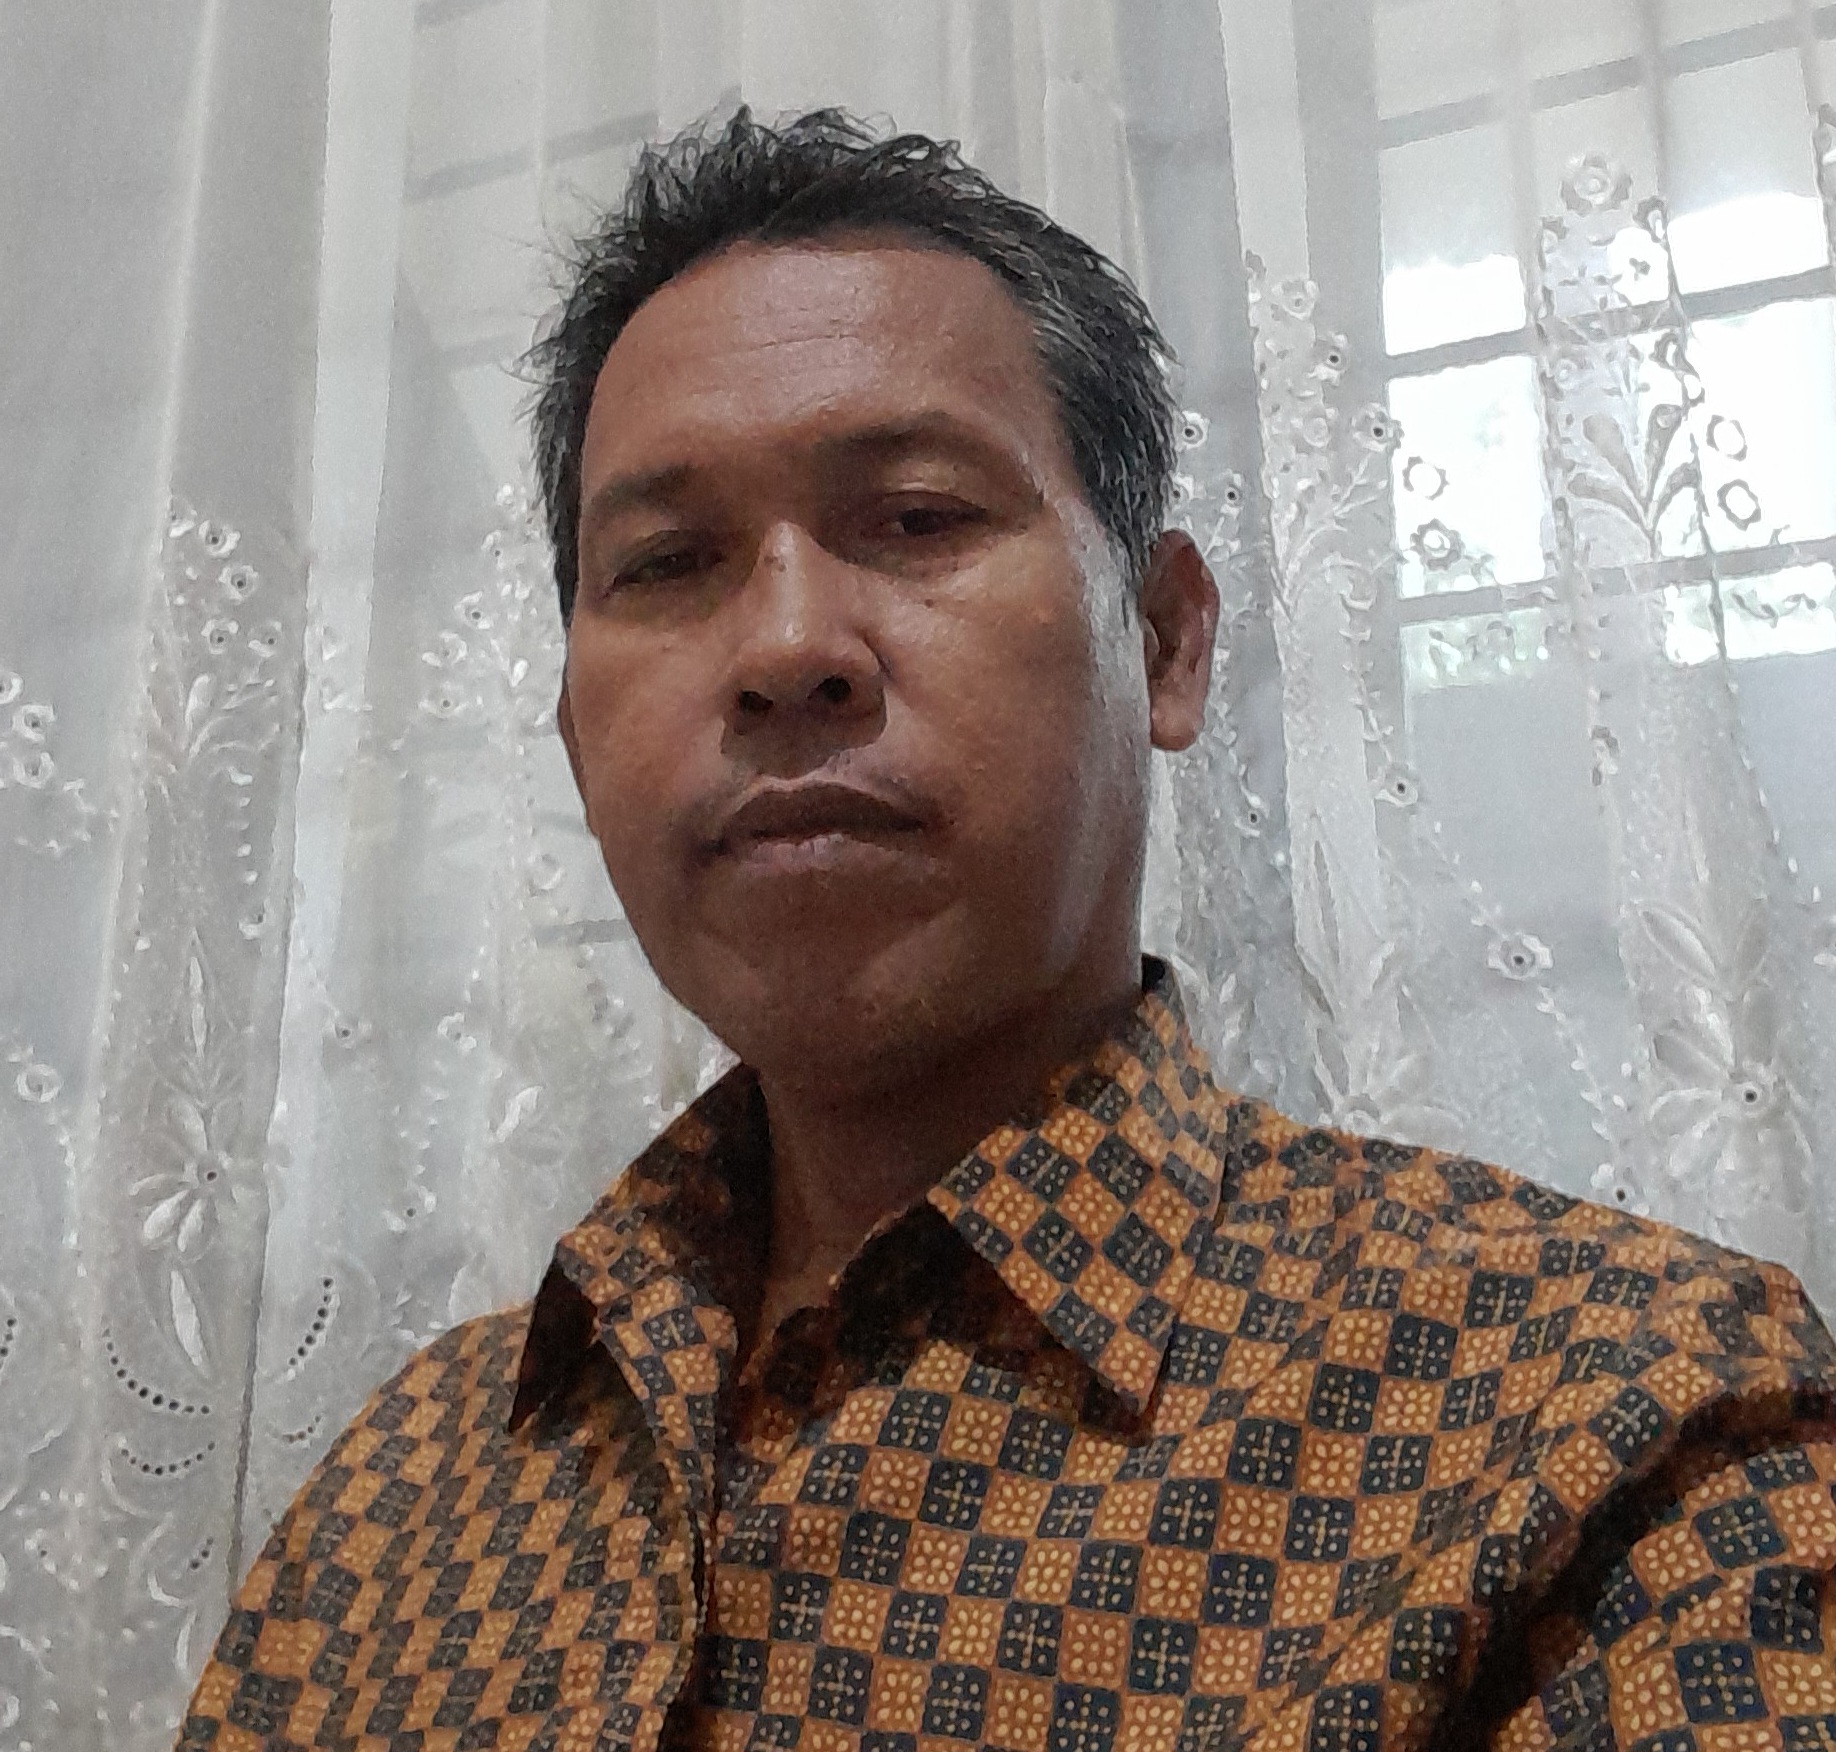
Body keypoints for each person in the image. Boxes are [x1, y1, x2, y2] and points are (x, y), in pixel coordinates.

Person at [180, 110, 1836, 1752]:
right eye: (668, 562)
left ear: (1166, 643)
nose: (786, 648)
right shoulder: (402, 1496)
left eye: (916, 518)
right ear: (572, 737)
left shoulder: (1614, 1426)